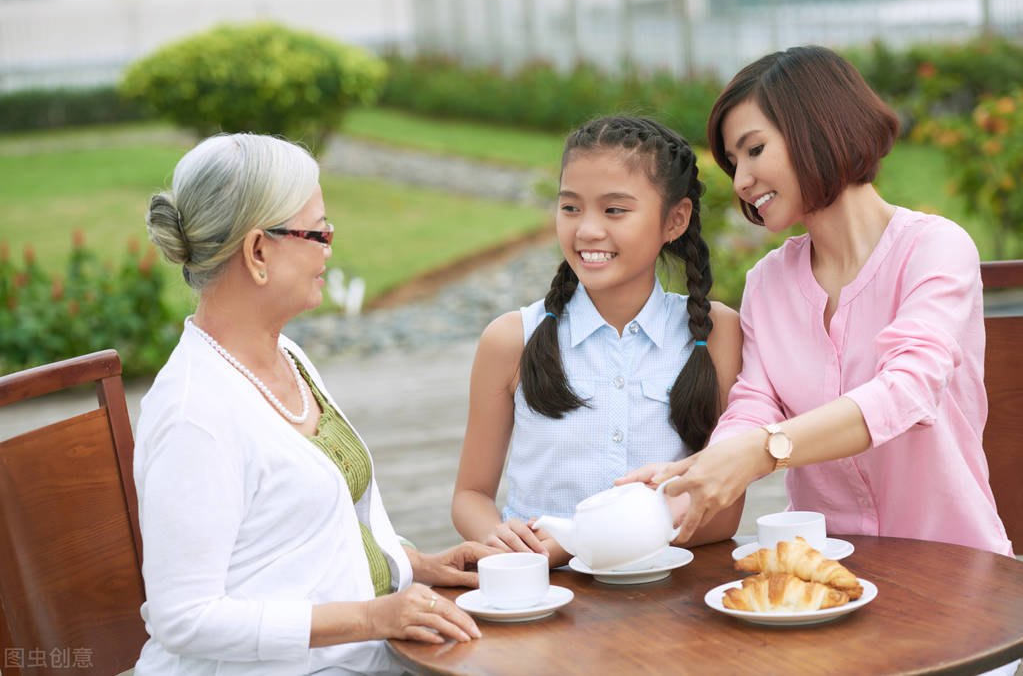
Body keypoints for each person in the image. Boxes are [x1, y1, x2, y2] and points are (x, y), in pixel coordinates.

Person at [619, 46, 1013, 558]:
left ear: (818, 128)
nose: (741, 181)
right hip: (823, 565)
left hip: (949, 562)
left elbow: (907, 389)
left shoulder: (935, 248)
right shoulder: (768, 281)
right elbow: (754, 404)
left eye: (754, 150)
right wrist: (697, 473)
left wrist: (765, 450)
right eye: (733, 163)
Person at [134, 133, 497, 676]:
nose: (329, 247)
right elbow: (184, 618)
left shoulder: (285, 356)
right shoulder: (195, 416)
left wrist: (418, 565)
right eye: (318, 232)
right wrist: (371, 617)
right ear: (258, 252)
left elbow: (308, 534)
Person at [451, 115, 744, 567]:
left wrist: (579, 542)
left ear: (675, 219)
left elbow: (723, 513)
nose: (587, 230)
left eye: (614, 210)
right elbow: (470, 495)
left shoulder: (716, 333)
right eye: (570, 207)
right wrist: (502, 539)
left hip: (670, 594)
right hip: (544, 588)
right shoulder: (510, 340)